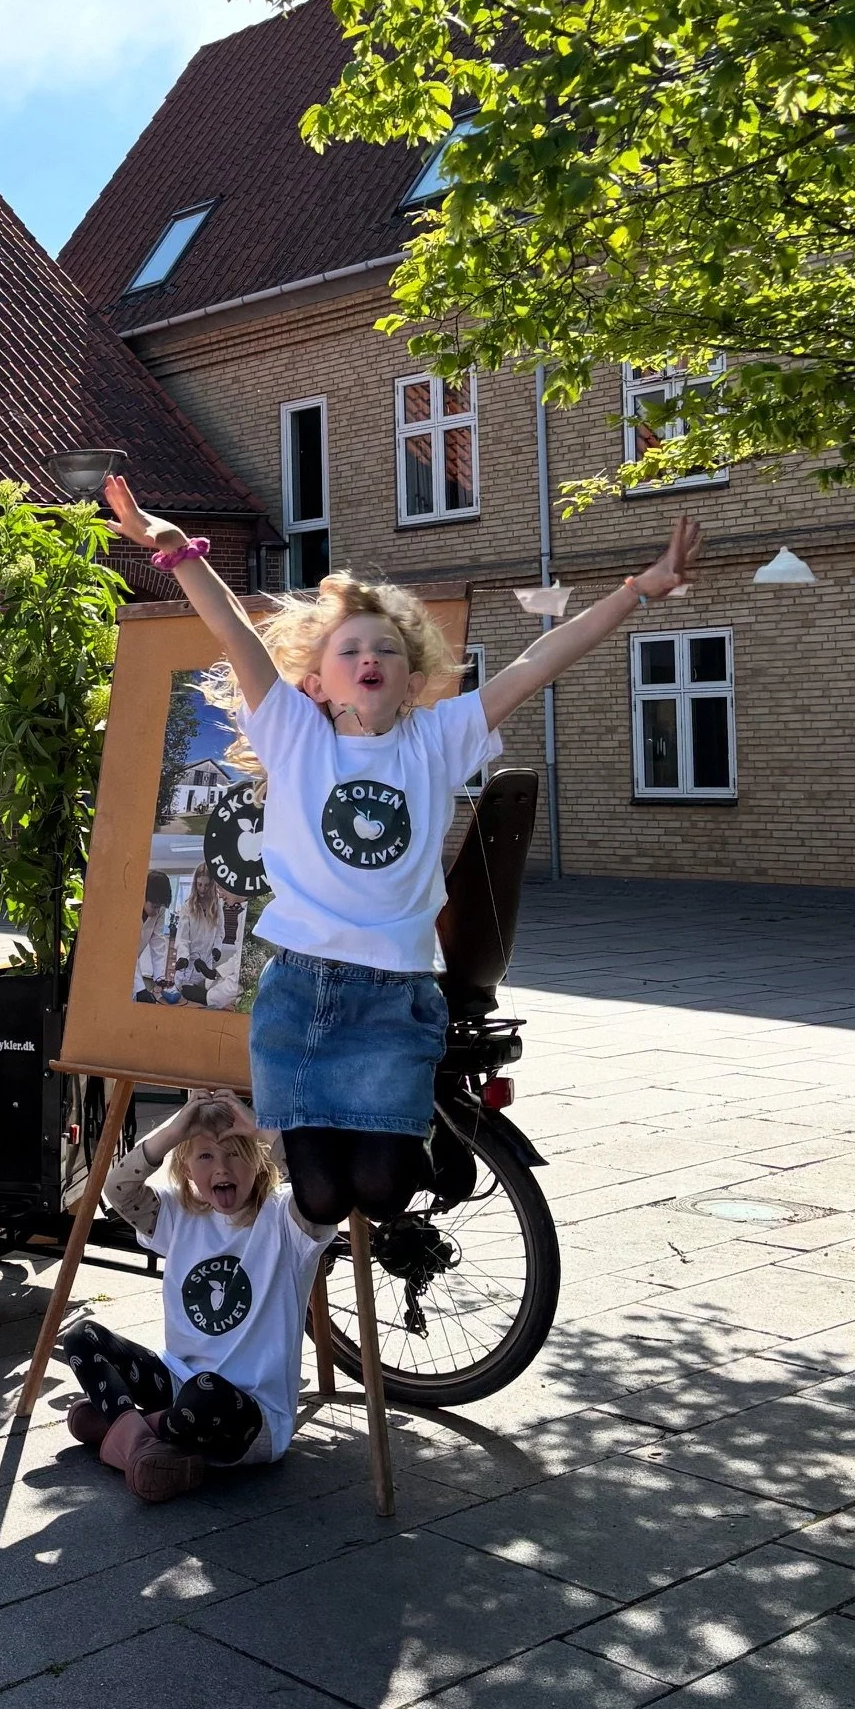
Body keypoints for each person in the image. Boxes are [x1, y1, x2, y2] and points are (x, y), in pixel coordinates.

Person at [104, 474, 700, 1224]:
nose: (367, 657)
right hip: (301, 996)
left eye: (384, 648)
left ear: (412, 680)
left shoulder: (438, 739)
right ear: (319, 681)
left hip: (395, 995)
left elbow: (538, 663)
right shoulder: (295, 735)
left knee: (385, 1193)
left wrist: (636, 592)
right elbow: (234, 634)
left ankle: (432, 1148)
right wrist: (173, 548)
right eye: (349, 649)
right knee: (319, 1199)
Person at [62, 1094, 335, 1501]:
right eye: (205, 1156)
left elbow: (325, 1192)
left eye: (236, 1153)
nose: (221, 1167)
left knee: (206, 1391)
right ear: (186, 1166)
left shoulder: (286, 1221)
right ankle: (142, 1445)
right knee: (81, 1337)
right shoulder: (179, 1213)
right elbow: (118, 1190)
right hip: (176, 1382)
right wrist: (175, 1130)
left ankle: (122, 1427)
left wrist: (261, 1128)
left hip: (247, 1413)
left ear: (259, 1159)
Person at [172, 864, 227, 1003]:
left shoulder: (217, 906)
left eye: (206, 885)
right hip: (188, 967)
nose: (202, 889)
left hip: (205, 967)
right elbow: (182, 938)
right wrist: (183, 957)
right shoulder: (188, 907)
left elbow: (220, 931)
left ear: (212, 885)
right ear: (195, 884)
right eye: (199, 885)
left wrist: (217, 947)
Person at [133, 870, 179, 1001]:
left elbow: (158, 942)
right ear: (143, 896)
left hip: (133, 968)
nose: (157, 911)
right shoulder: (130, 912)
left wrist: (160, 978)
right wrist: (140, 989)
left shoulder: (159, 910)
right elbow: (128, 954)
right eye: (154, 906)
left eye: (160, 907)